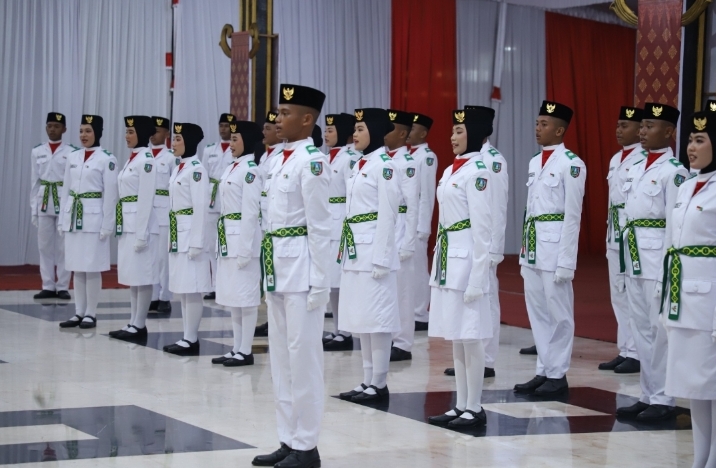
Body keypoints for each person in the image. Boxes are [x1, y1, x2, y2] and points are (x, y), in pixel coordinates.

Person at [251, 84, 330, 468]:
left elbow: (320, 227)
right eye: (278, 112)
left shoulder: (312, 162)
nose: (278, 119)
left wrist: (320, 282)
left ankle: (307, 446)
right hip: (278, 268)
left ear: (307, 119)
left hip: (301, 271)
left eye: (285, 113)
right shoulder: (278, 160)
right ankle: (288, 438)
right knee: (281, 360)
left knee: (303, 361)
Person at [616, 103, 689, 421]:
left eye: (650, 126)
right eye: (642, 126)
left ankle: (664, 398)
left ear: (669, 132)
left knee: (658, 331)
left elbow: (675, 225)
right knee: (640, 327)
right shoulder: (636, 166)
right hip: (634, 255)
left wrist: (668, 271)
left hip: (657, 258)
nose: (643, 132)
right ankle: (648, 393)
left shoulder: (674, 172)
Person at [427, 108, 495, 428]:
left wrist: (478, 279)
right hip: (448, 258)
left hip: (467, 262)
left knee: (472, 336)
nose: (452, 137)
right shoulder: (451, 169)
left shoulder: (478, 173)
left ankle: (475, 406)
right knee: (457, 335)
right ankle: (460, 404)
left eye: (459, 131)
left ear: (474, 133)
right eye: (453, 131)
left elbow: (483, 230)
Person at [513, 101, 586, 397]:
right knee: (538, 311)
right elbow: (531, 209)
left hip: (555, 247)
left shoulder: (572, 164)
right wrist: (524, 249)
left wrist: (567, 260)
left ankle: (558, 374)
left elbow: (573, 215)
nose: (537, 128)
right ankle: (544, 369)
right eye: (536, 123)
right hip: (532, 246)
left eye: (544, 124)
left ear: (559, 130)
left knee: (559, 313)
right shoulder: (535, 162)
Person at [662, 111, 716, 468]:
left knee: (714, 382)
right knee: (695, 385)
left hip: (709, 302)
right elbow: (672, 243)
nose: (691, 147)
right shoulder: (686, 186)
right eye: (690, 140)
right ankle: (700, 458)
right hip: (684, 298)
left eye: (700, 140)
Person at [337, 108, 400, 402]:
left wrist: (382, 258)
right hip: (355, 252)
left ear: (374, 131)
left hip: (374, 252)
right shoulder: (359, 164)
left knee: (379, 319)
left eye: (360, 129)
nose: (355, 134)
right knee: (362, 318)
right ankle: (366, 379)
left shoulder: (385, 166)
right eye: (355, 129)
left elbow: (388, 214)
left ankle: (380, 381)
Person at [444, 105, 508, 379]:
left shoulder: (492, 161)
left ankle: (487, 358)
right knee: (467, 303)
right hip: (464, 243)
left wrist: (495, 248)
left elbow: (498, 207)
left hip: (482, 242)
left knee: (487, 298)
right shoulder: (463, 161)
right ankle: (469, 356)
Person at [211, 121, 264, 367]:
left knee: (246, 297)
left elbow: (251, 213)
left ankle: (246, 350)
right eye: (230, 139)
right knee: (233, 297)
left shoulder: (251, 171)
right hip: (228, 238)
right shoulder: (232, 167)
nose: (230, 144)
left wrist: (245, 249)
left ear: (247, 140)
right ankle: (236, 348)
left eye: (235, 139)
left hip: (243, 240)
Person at [58, 115, 118, 329]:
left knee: (92, 267)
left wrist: (107, 224)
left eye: (88, 131)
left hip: (94, 219)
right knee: (77, 267)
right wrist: (62, 220)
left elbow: (111, 195)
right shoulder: (72, 157)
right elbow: (66, 189)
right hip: (73, 217)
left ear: (98, 133)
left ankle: (91, 313)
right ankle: (78, 312)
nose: (83, 135)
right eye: (81, 131)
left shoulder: (107, 159)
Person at [598, 106, 644, 374]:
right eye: (618, 125)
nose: (618, 130)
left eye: (625, 126)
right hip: (615, 233)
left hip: (634, 236)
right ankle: (625, 348)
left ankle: (637, 352)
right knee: (618, 293)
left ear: (640, 130)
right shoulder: (616, 159)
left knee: (634, 295)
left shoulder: (643, 159)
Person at [163, 123, 211, 356]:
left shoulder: (197, 170)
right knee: (183, 288)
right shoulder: (179, 168)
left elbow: (201, 207)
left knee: (192, 288)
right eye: (173, 138)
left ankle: (192, 339)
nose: (173, 143)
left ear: (189, 141)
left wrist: (197, 242)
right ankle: (186, 335)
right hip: (178, 233)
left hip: (190, 235)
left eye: (178, 139)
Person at [109, 116, 159, 341]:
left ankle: (140, 324)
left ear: (141, 133)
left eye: (131, 132)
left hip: (141, 225)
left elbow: (146, 199)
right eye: (126, 132)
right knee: (133, 275)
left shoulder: (146, 160)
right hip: (128, 224)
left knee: (143, 276)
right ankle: (133, 321)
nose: (126, 136)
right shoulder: (134, 158)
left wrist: (141, 234)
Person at [322, 112, 360, 350]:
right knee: (333, 282)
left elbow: (352, 193)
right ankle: (337, 329)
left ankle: (346, 332)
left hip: (341, 222)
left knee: (342, 282)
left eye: (331, 130)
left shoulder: (350, 158)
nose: (326, 134)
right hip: (327, 222)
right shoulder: (326, 158)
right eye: (325, 130)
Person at [384, 109, 420, 362]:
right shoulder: (384, 159)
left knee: (403, 291)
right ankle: (389, 336)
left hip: (401, 228)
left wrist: (408, 242)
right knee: (388, 289)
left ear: (403, 134)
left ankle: (403, 343)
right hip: (387, 228)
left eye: (392, 128)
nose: (386, 132)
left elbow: (413, 205)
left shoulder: (408, 163)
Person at [30, 112, 74, 300]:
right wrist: (33, 209)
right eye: (50, 126)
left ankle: (63, 286)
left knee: (64, 246)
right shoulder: (37, 151)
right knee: (44, 246)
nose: (52, 129)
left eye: (56, 126)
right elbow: (34, 182)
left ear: (64, 129)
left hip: (63, 199)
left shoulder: (71, 152)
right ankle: (47, 285)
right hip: (44, 200)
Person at [255, 111, 285, 339]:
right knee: (267, 273)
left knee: (276, 274)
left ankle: (277, 321)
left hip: (275, 222)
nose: (264, 132)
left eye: (268, 128)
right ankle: (271, 319)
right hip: (264, 220)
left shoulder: (281, 155)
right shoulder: (266, 155)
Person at [406, 112, 437, 331]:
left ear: (423, 133)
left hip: (417, 221)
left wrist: (423, 226)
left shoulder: (426, 157)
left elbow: (427, 193)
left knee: (417, 269)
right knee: (407, 269)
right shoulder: (409, 155)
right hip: (406, 219)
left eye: (413, 129)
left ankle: (421, 313)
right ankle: (411, 310)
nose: (408, 132)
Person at [201, 113, 236, 301]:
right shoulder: (209, 150)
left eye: (227, 126)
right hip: (212, 199)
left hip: (229, 199)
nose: (223, 129)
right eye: (221, 125)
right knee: (210, 244)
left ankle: (226, 284)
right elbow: (204, 176)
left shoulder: (236, 148)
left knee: (227, 242)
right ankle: (214, 284)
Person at [148, 115, 177, 314]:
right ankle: (152, 295)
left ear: (167, 134)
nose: (153, 134)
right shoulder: (143, 155)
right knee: (149, 257)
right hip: (147, 211)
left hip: (165, 210)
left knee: (163, 258)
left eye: (157, 131)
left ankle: (165, 296)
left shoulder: (171, 157)